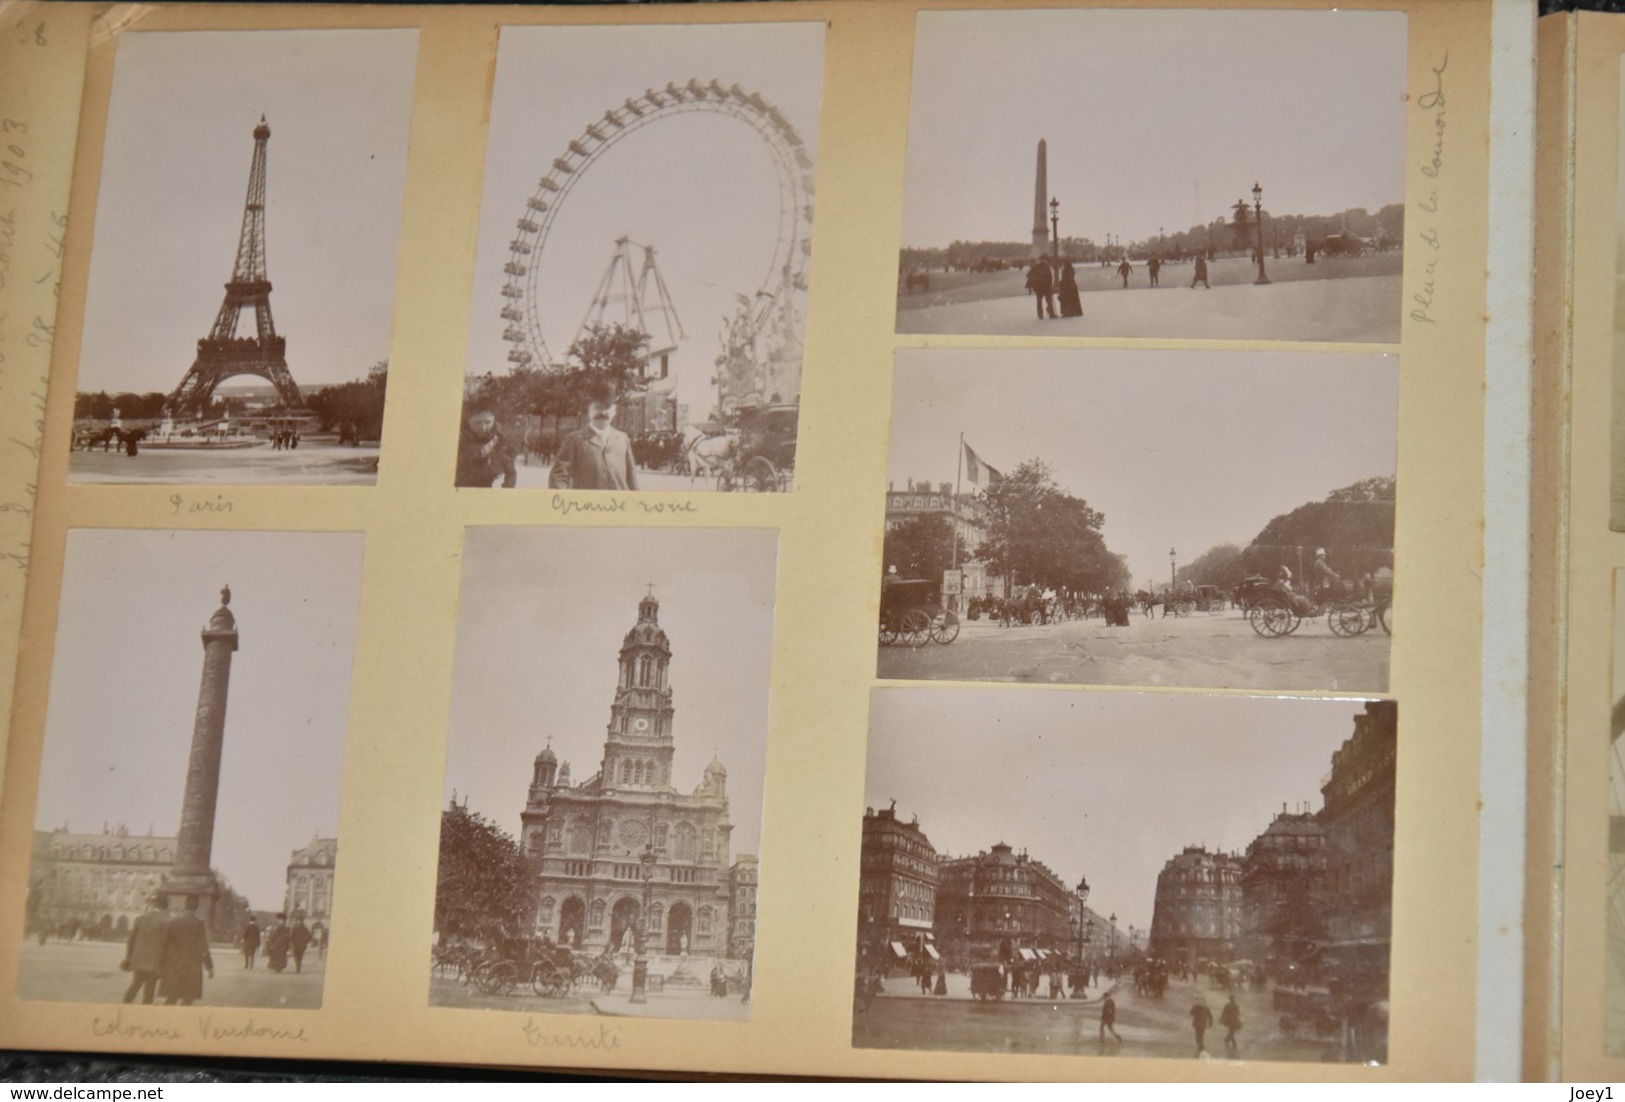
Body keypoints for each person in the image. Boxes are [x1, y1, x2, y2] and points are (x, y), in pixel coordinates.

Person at [548, 380, 638, 490]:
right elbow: (558, 477)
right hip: (587, 505)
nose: (603, 413)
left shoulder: (622, 438)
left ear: (614, 411)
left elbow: (632, 478)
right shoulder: (574, 440)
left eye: (607, 408)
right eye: (598, 407)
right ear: (589, 410)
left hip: (619, 505)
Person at [160, 895, 213, 1006]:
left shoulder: (173, 922)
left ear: (185, 905)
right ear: (197, 907)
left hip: (174, 964)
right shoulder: (198, 923)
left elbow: (164, 944)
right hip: (191, 965)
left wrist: (161, 963)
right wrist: (209, 967)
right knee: (188, 998)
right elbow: (203, 946)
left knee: (171, 997)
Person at [121, 893, 169, 1005]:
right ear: (165, 906)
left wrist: (128, 958)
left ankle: (124, 1007)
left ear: (154, 904)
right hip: (154, 962)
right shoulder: (166, 921)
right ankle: (145, 1013)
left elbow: (131, 940)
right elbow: (165, 943)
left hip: (138, 960)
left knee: (135, 984)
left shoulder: (141, 919)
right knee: (150, 989)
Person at [455, 406, 516, 488]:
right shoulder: (461, 439)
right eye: (477, 422)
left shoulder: (498, 443)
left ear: (494, 422)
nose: (483, 427)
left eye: (488, 422)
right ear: (469, 421)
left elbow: (511, 473)